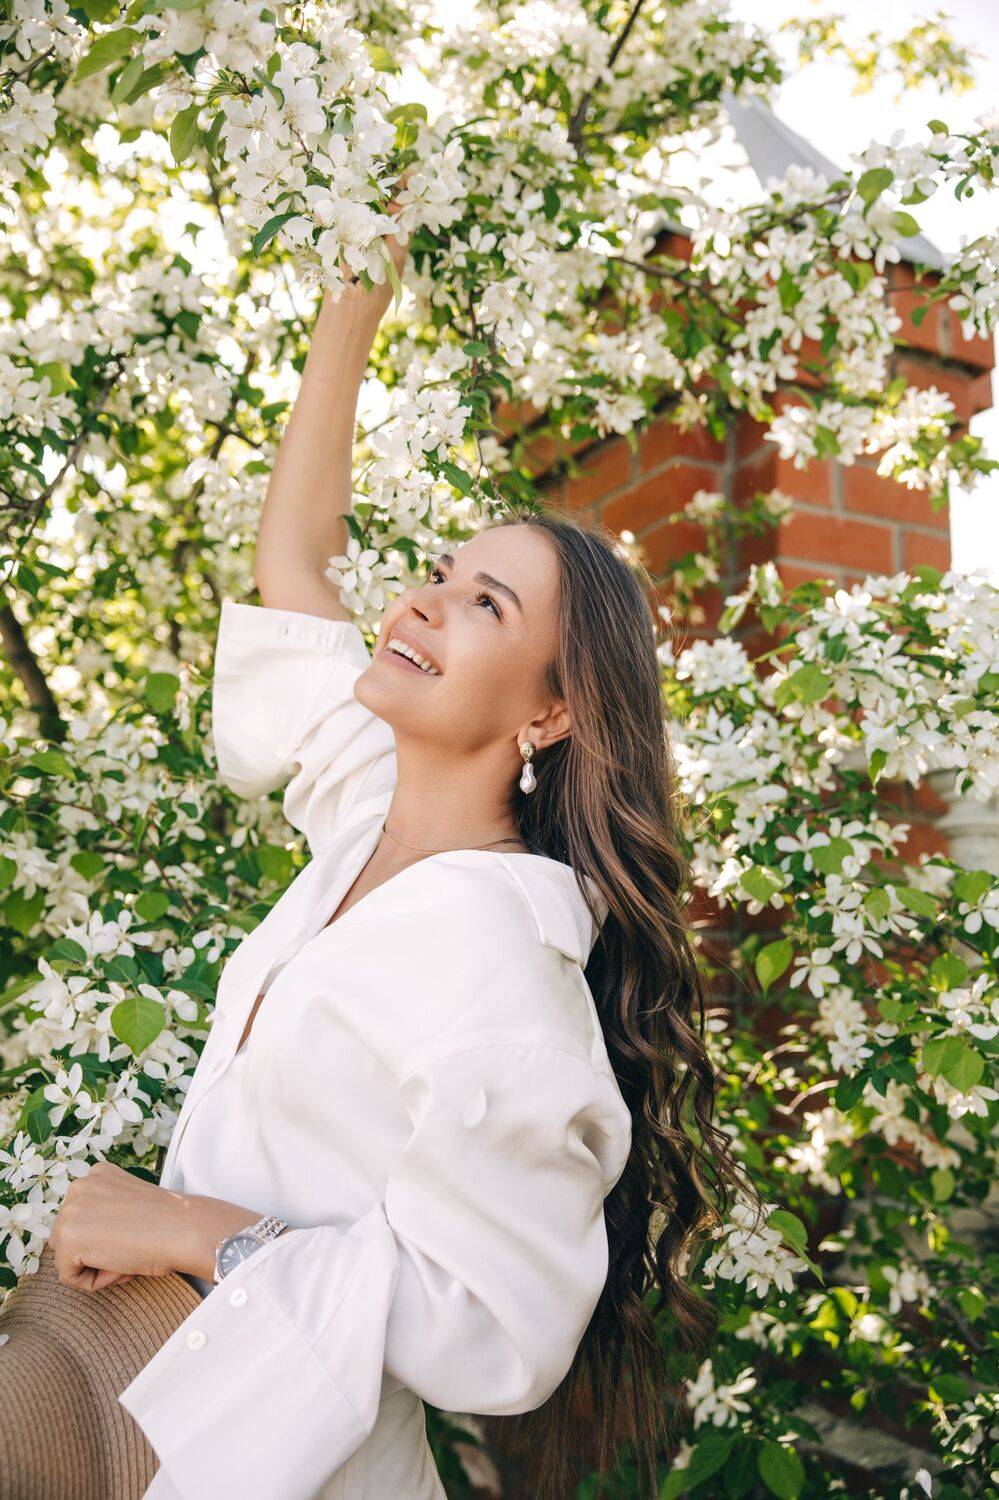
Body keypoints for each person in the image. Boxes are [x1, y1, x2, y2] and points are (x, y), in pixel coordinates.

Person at [49, 213, 749, 1500]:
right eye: (439, 572)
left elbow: (493, 1327)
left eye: (486, 604)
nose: (422, 599)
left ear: (552, 712)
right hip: (168, 1422)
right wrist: (350, 310)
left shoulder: (503, 963)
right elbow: (295, 566)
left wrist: (192, 1230)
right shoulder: (371, 810)